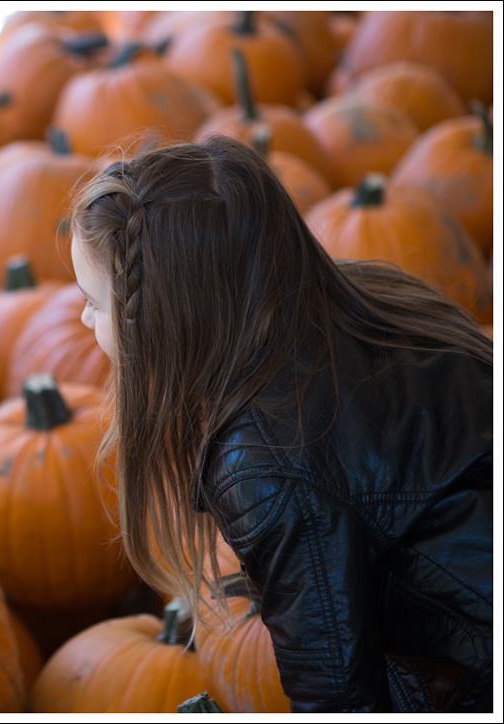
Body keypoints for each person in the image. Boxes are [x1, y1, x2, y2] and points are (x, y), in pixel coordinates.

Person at [69, 137, 493, 713]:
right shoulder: (371, 292)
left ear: (164, 326)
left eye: (94, 302)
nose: (82, 315)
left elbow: (335, 692)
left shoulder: (264, 465)